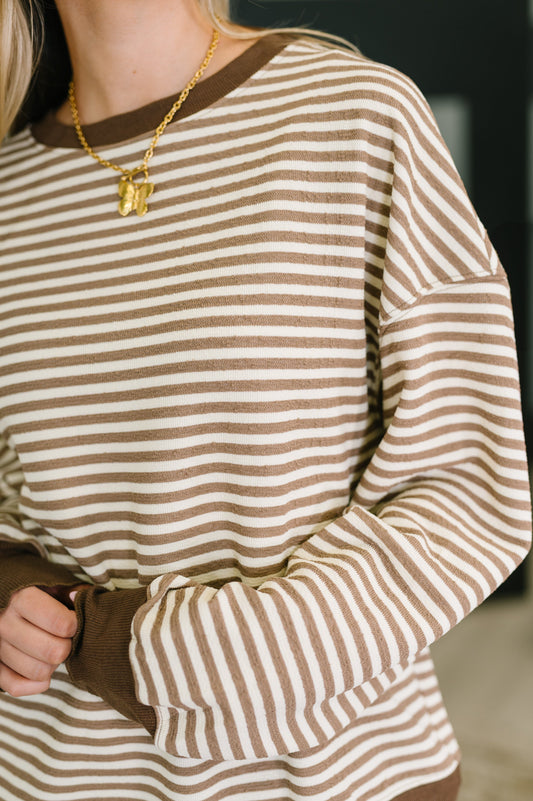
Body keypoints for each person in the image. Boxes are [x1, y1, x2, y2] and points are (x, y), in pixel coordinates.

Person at [0, 1, 530, 799]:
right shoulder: (10, 190)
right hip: (48, 775)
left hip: (339, 776)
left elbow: (466, 489)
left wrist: (136, 649)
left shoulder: (356, 116)